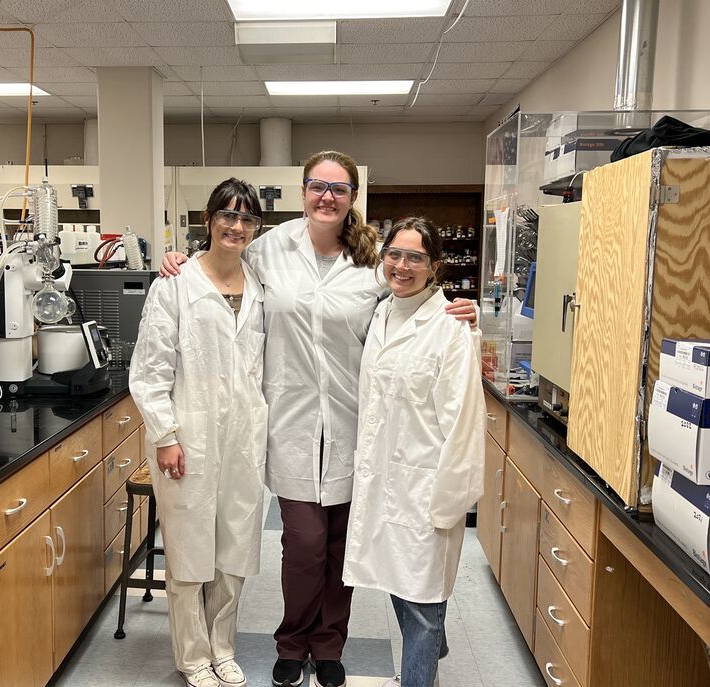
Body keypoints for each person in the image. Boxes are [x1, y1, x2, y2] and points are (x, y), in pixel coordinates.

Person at [160, 151, 477, 687]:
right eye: (317, 186)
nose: (327, 196)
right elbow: (223, 256)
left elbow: (412, 293)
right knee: (303, 544)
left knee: (341, 546)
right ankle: (293, 640)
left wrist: (459, 307)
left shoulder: (372, 259)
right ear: (303, 191)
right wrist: (180, 257)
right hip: (290, 421)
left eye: (339, 188)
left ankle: (329, 646)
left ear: (353, 197)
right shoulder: (269, 248)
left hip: (357, 423)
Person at [130, 178, 269, 687]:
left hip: (244, 437)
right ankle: (192, 657)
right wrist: (165, 435)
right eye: (227, 216)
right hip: (189, 433)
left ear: (255, 228)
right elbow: (149, 369)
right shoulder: (175, 283)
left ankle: (223, 647)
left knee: (234, 548)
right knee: (189, 551)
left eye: (247, 218)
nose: (236, 226)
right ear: (208, 221)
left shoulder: (257, 284)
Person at [343, 217, 486, 687]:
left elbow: (464, 421)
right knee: (396, 581)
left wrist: (451, 501)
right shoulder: (381, 312)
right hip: (383, 477)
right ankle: (433, 642)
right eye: (394, 254)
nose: (402, 266)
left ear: (435, 266)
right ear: (383, 258)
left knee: (421, 602)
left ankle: (420, 677)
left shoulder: (450, 328)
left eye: (416, 257)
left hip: (426, 484)